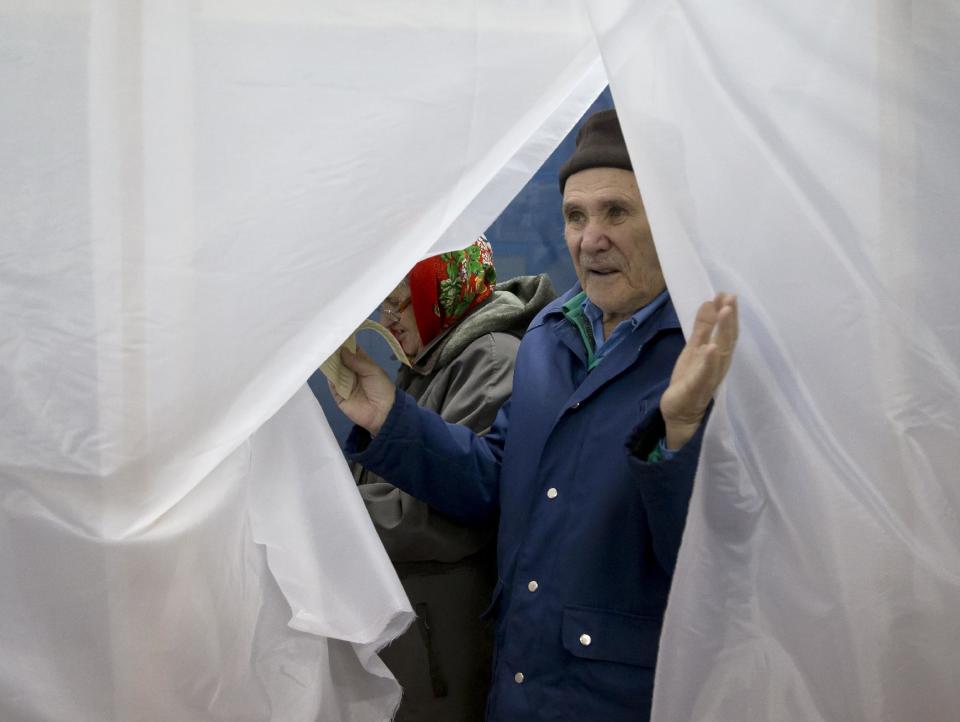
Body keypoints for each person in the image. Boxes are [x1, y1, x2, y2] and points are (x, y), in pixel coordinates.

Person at [333, 109, 738, 722]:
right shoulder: (549, 340)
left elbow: (718, 567)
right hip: (518, 686)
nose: (590, 238)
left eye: (617, 213)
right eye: (575, 215)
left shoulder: (703, 352)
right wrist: (391, 419)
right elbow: (495, 480)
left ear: (673, 223)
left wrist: (677, 436)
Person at [352, 237, 556, 722]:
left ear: (439, 288)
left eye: (399, 301)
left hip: (448, 647)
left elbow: (453, 512)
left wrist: (341, 517)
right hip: (430, 640)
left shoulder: (490, 358)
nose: (387, 320)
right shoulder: (437, 358)